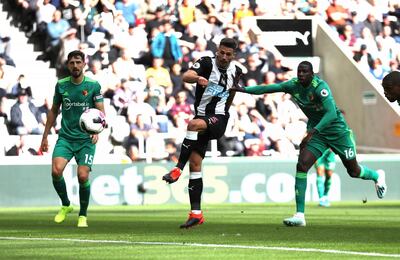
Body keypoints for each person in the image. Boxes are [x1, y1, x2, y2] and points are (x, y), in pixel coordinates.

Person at [231, 61, 387, 227]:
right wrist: (244, 89)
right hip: (319, 134)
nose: (301, 74)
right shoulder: (293, 85)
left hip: (338, 132)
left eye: (305, 72)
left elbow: (331, 114)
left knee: (353, 171)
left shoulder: (320, 87)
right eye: (299, 71)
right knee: (302, 165)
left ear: (312, 74)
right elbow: (267, 88)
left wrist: (312, 131)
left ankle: (377, 176)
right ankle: (299, 215)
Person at [162, 38, 243, 228]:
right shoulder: (206, 62)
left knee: (193, 125)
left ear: (234, 56)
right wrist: (198, 78)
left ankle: (177, 168)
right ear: (217, 51)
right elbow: (186, 76)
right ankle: (196, 214)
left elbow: (231, 94)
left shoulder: (236, 71)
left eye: (228, 54)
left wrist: (224, 113)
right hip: (202, 117)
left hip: (218, 118)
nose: (224, 57)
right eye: (221, 52)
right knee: (196, 165)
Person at [40, 50, 105, 228]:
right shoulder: (61, 85)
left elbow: (100, 111)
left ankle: (82, 215)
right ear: (68, 65)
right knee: (56, 171)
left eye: (78, 62)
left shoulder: (93, 85)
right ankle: (66, 205)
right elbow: (53, 110)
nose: (75, 65)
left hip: (86, 140)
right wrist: (45, 136)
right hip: (66, 138)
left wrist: (97, 130)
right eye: (72, 62)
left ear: (84, 64)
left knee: (83, 176)